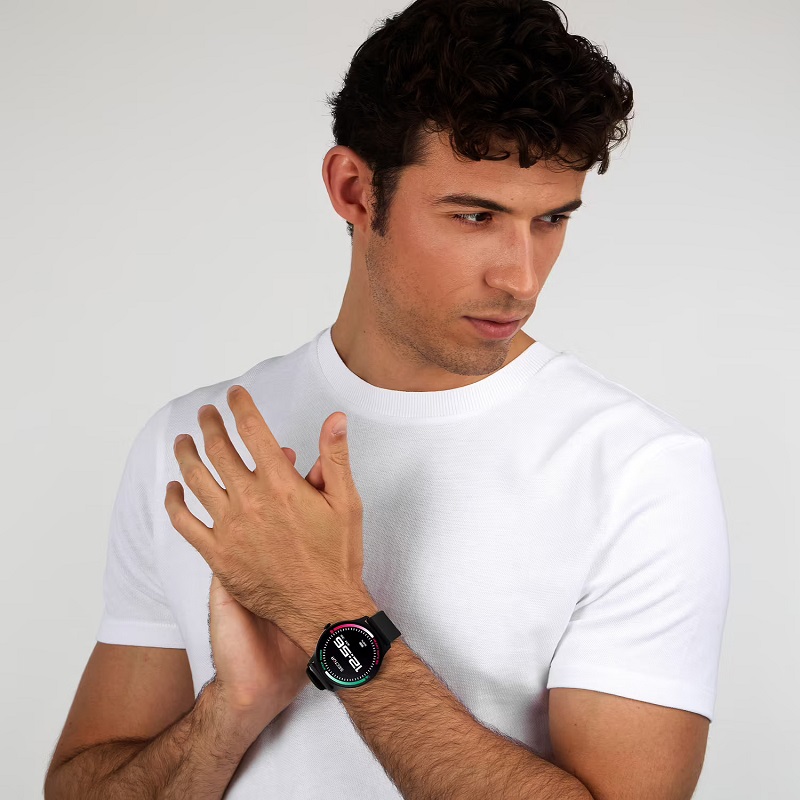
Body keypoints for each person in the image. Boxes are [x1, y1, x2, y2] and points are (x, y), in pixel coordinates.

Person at [45, 1, 730, 798]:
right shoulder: (201, 445)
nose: (522, 277)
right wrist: (232, 710)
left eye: (550, 220)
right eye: (475, 216)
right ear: (354, 189)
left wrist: (328, 616)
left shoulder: (639, 471)